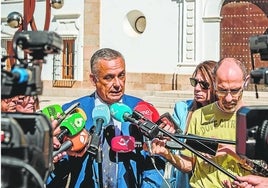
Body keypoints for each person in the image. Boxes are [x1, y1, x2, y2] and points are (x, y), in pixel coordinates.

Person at [46, 48, 166, 188]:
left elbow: (155, 158)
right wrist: (55, 155)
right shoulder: (75, 111)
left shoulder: (140, 110)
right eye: (108, 77)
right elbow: (59, 169)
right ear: (93, 79)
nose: (117, 84)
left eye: (121, 75)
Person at [151, 58, 252, 188]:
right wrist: (167, 154)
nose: (228, 98)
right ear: (214, 82)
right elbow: (188, 165)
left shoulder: (254, 119)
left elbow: (261, 169)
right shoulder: (199, 116)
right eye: (222, 90)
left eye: (234, 90)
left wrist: (230, 151)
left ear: (246, 82)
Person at [165, 60, 217, 188]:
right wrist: (167, 137)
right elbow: (174, 148)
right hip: (184, 181)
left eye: (204, 84)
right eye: (195, 82)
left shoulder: (224, 116)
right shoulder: (182, 109)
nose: (197, 88)